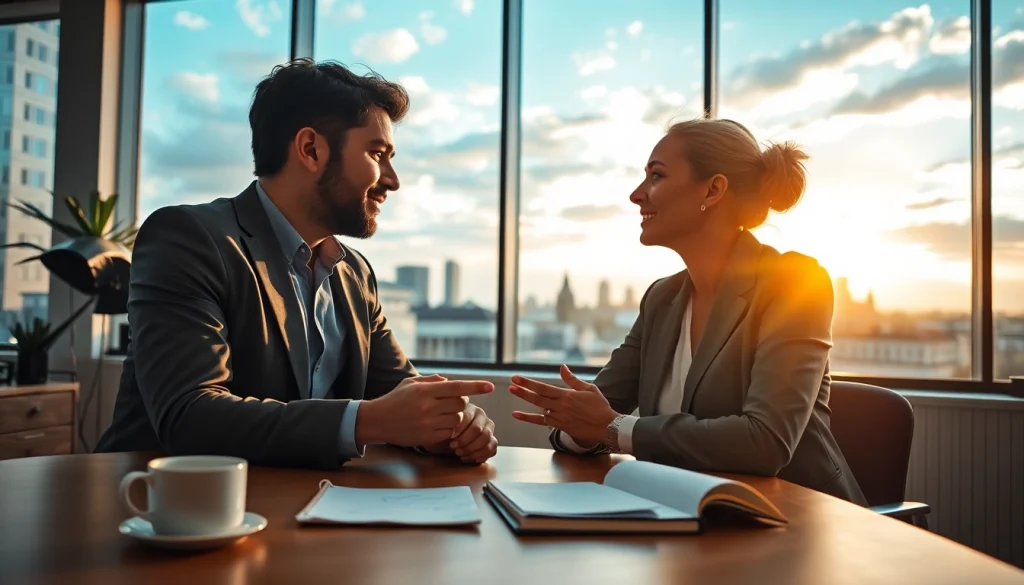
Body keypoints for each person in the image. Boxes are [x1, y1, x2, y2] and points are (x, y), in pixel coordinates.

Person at [96, 59, 498, 469]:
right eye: (378, 153)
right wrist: (366, 421)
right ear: (311, 150)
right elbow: (189, 415)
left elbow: (399, 394)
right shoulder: (188, 238)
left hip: (303, 511)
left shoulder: (355, 274)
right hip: (158, 512)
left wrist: (449, 424)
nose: (392, 179)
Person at [507, 118, 867, 504]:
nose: (636, 195)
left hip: (799, 523)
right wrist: (577, 427)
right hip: (688, 520)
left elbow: (765, 442)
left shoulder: (795, 282)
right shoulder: (661, 299)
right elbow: (599, 410)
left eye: (656, 176)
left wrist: (610, 428)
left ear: (713, 190)